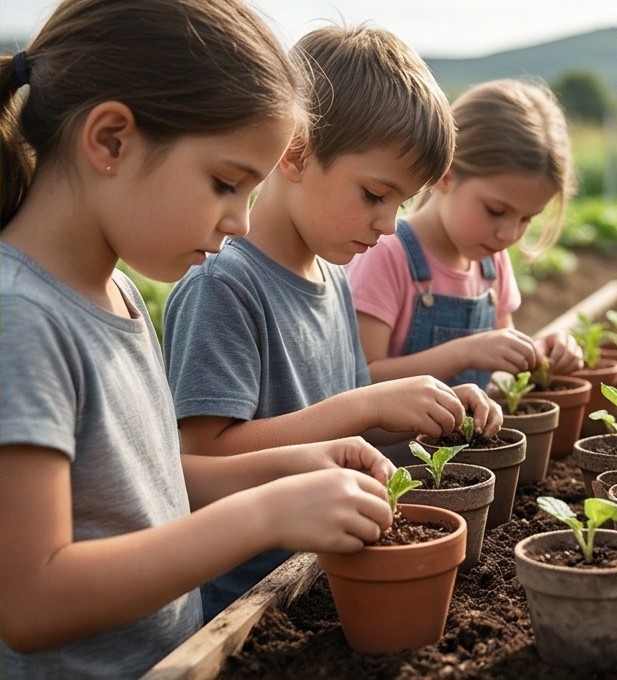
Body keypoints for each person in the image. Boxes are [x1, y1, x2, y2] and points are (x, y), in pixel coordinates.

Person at [0, 2, 399, 678]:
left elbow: (141, 488)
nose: (240, 223)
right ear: (110, 140)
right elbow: (33, 600)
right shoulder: (22, 318)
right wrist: (266, 515)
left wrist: (300, 463)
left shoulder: (116, 291)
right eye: (225, 183)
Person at [161, 24, 503, 622]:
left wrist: (430, 413)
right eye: (374, 194)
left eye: (403, 202)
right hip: (245, 604)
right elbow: (201, 457)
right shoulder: (223, 285)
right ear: (295, 152)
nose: (390, 224)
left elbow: (350, 436)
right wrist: (367, 406)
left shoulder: (332, 273)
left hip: (324, 573)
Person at [346, 78, 584, 391]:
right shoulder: (386, 254)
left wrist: (539, 353)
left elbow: (501, 361)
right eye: (496, 211)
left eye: (527, 218)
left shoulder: (492, 264)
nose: (508, 234)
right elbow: (360, 380)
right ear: (446, 175)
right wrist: (465, 353)